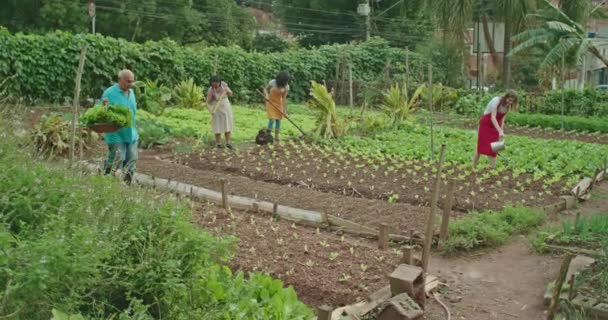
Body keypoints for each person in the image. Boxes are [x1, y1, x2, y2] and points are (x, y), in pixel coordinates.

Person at [102, 69, 139, 184]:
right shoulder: (109, 93)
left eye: (132, 81)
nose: (130, 84)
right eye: (128, 81)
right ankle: (108, 182)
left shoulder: (131, 93)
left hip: (131, 133)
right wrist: (105, 108)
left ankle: (127, 185)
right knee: (118, 159)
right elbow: (102, 113)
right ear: (120, 80)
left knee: (131, 160)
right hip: (116, 134)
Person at [473, 90, 518, 168]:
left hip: (495, 126)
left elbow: (502, 119)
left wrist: (501, 130)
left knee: (495, 147)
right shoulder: (496, 101)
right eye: (510, 100)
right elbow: (493, 117)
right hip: (486, 124)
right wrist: (499, 131)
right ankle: (473, 166)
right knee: (480, 146)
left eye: (512, 101)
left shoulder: (508, 106)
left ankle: (493, 167)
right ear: (506, 97)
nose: (510, 102)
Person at [206, 75, 234, 149]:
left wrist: (227, 91)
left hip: (225, 106)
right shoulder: (211, 90)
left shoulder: (224, 86)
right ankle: (218, 143)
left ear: (219, 82)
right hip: (216, 108)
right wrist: (211, 111)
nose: (215, 85)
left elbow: (231, 94)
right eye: (213, 84)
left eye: (216, 84)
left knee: (227, 124)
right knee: (217, 125)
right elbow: (208, 102)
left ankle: (228, 143)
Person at [264, 71, 290, 142]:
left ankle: (276, 136)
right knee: (271, 119)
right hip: (270, 102)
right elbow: (265, 89)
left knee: (278, 120)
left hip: (279, 103)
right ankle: (267, 135)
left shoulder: (286, 86)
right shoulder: (273, 82)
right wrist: (266, 95)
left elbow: (284, 99)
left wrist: (285, 111)